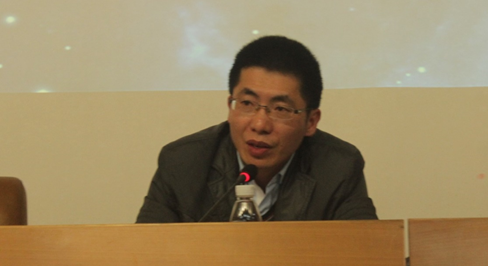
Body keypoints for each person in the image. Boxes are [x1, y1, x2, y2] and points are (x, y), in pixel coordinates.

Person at [136, 36, 377, 222]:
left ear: (311, 121)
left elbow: (365, 258)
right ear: (230, 106)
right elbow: (145, 256)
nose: (260, 125)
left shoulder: (338, 167)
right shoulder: (182, 163)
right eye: (247, 104)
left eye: (280, 109)